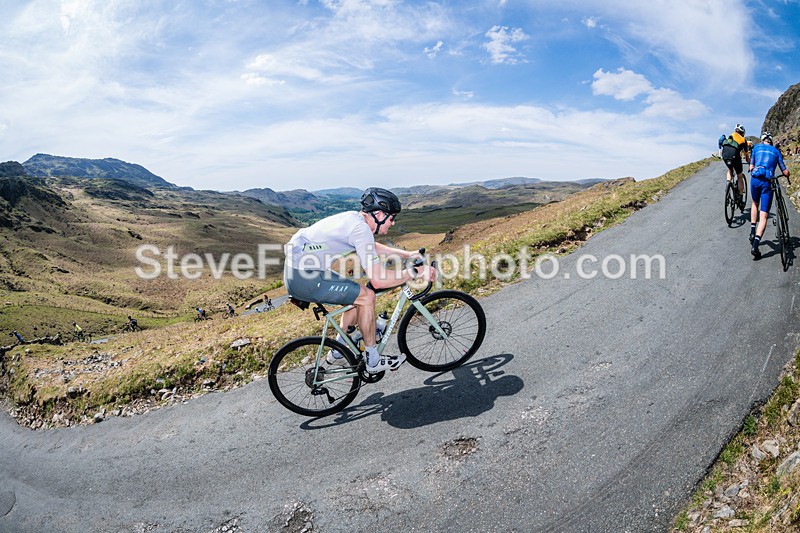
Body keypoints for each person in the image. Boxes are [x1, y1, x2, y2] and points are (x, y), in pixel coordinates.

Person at [283, 187, 436, 373]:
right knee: (367, 296)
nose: (393, 223)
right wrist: (415, 272)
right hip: (305, 279)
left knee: (356, 294)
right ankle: (373, 360)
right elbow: (379, 281)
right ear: (379, 214)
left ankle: (339, 351)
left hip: (302, 272)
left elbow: (371, 246)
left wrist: (407, 254)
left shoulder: (355, 220)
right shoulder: (360, 229)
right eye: (391, 218)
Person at [748, 132, 791, 259]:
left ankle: (752, 231)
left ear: (762, 141)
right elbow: (784, 170)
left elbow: (751, 166)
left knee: (755, 203)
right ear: (771, 142)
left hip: (755, 180)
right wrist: (787, 175)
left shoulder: (756, 148)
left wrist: (753, 168)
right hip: (768, 182)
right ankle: (755, 245)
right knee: (764, 215)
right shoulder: (776, 151)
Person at [720, 124, 750, 210]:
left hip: (725, 155)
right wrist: (750, 164)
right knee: (740, 176)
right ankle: (740, 196)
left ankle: (728, 183)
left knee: (730, 169)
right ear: (742, 133)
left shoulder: (730, 136)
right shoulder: (743, 140)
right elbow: (747, 158)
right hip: (735, 156)